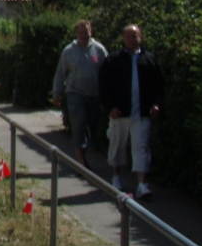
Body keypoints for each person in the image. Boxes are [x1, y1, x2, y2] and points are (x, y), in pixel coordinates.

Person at [99, 24, 165, 199]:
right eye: (128, 36)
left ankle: (142, 184)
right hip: (120, 113)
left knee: (141, 147)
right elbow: (103, 86)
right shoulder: (113, 60)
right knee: (117, 145)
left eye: (135, 36)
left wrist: (156, 104)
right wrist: (109, 107)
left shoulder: (149, 60)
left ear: (140, 37)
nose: (132, 39)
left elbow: (159, 85)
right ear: (123, 38)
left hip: (141, 113)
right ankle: (116, 176)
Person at [51, 20, 107, 168]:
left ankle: (83, 155)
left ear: (91, 32)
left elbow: (107, 73)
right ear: (76, 33)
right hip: (75, 94)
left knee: (91, 127)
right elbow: (60, 73)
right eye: (81, 33)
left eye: (86, 32)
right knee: (79, 124)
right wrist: (56, 93)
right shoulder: (69, 51)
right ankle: (81, 162)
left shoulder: (99, 50)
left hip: (94, 95)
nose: (84, 35)